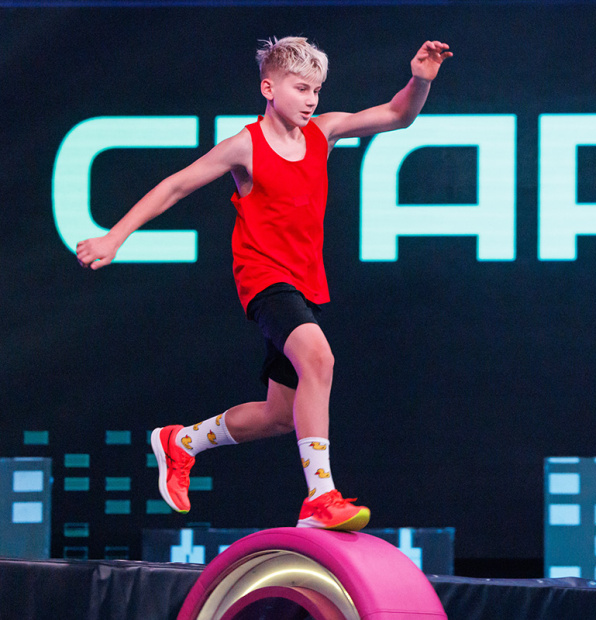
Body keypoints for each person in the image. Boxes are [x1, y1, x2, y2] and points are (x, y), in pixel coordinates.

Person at [76, 36, 452, 531]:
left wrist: (420, 80)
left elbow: (398, 115)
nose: (311, 100)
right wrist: (115, 237)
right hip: (264, 280)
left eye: (316, 90)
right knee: (319, 359)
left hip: (305, 286)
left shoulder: (324, 132)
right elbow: (175, 186)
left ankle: (181, 442)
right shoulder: (245, 146)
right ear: (269, 88)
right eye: (301, 88)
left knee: (280, 415)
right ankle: (320, 497)